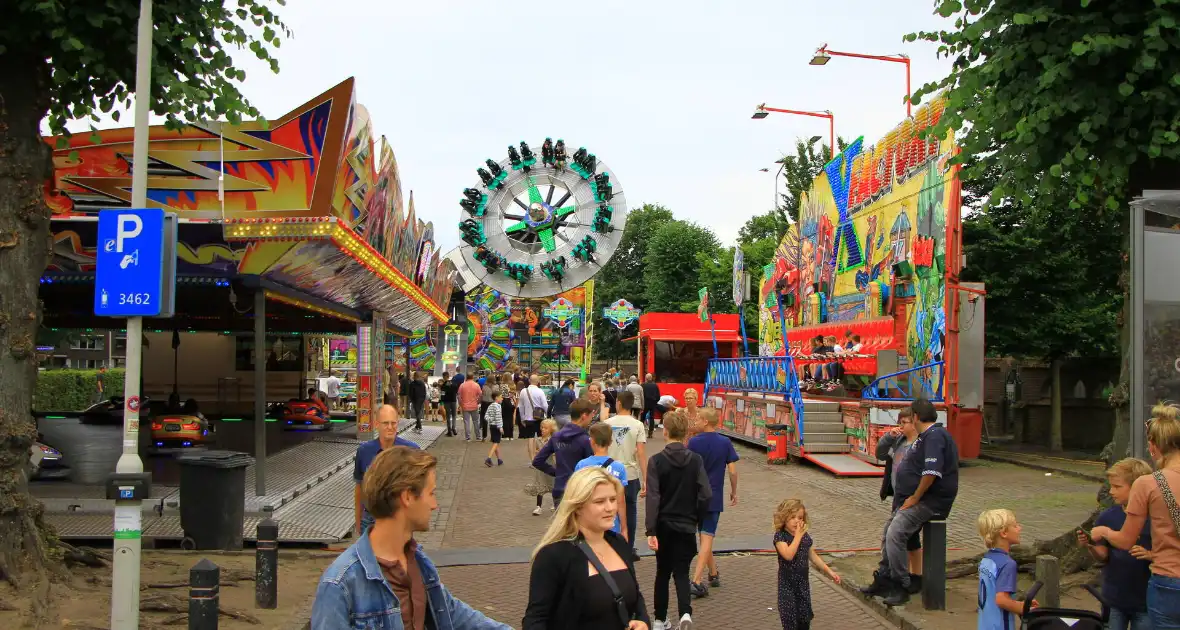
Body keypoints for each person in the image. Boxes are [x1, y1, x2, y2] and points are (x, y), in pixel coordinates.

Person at [314, 446, 512, 630]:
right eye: (431, 493)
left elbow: (455, 614)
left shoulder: (419, 562)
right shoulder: (339, 584)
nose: (434, 504)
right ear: (407, 497)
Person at [523, 467, 650, 630]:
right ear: (577, 506)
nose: (610, 508)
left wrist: (643, 622)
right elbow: (535, 620)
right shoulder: (554, 555)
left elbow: (635, 598)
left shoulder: (618, 543)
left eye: (612, 499)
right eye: (599, 501)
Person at [1090, 403, 1180, 628]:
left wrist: (1105, 532)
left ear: (1152, 446)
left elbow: (1125, 541)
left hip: (1168, 580)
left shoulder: (1148, 484)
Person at [862, 398, 959, 605]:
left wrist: (915, 497)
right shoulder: (925, 438)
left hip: (929, 501)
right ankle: (885, 577)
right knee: (888, 530)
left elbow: (931, 472)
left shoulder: (935, 436)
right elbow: (883, 453)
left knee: (896, 533)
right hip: (912, 499)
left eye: (910, 417)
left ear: (916, 417)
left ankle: (901, 584)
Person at [645, 410, 711, 630]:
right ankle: (685, 613)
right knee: (682, 572)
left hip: (663, 525)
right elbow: (706, 494)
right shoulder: (696, 460)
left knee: (662, 572)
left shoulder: (656, 461)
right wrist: (696, 516)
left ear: (665, 432)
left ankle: (659, 619)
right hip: (686, 524)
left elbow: (653, 497)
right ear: (685, 434)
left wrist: (650, 530)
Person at [1077, 457, 1153, 630]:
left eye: (1118, 487)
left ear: (1137, 488)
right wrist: (1090, 546)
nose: (1111, 491)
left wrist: (1151, 555)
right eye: (1111, 486)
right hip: (1114, 598)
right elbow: (1103, 556)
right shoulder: (1107, 517)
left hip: (1146, 601)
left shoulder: (1156, 519)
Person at [863, 408, 923, 596]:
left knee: (894, 536)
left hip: (914, 500)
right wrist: (888, 437)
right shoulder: (898, 441)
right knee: (908, 538)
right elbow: (880, 453)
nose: (901, 426)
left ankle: (898, 579)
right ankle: (903, 577)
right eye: (900, 422)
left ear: (914, 423)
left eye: (905, 422)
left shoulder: (921, 445)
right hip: (899, 498)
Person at [688, 407, 739, 597]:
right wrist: (733, 491)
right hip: (714, 495)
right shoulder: (725, 442)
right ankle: (698, 579)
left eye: (698, 419)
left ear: (706, 422)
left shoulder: (693, 442)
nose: (696, 422)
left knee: (704, 536)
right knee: (707, 536)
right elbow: (733, 471)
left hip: (695, 495)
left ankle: (710, 574)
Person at [773, 499, 841, 630]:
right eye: (792, 517)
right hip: (787, 586)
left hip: (802, 585)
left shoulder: (804, 536)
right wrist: (798, 536)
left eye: (800, 517)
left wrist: (829, 571)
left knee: (804, 620)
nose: (797, 521)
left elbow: (812, 555)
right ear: (784, 517)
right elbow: (788, 555)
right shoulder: (780, 537)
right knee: (790, 621)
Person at [354, 405, 420, 536]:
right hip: (370, 520)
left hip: (399, 518)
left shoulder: (411, 451)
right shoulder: (364, 451)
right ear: (377, 424)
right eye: (385, 423)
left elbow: (419, 488)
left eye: (393, 423)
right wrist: (358, 520)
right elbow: (359, 489)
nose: (390, 427)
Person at [976, 509, 1033, 630]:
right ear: (1004, 533)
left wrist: (1020, 603)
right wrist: (1023, 608)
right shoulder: (1008, 564)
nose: (1020, 528)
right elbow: (1001, 600)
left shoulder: (986, 560)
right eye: (1015, 525)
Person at [607, 390, 648, 560]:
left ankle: (610, 545)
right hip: (630, 474)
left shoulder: (607, 423)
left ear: (618, 403)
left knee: (610, 511)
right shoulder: (638, 425)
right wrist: (645, 479)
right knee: (630, 512)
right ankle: (628, 546)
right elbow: (641, 453)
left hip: (610, 473)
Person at [532, 398, 595, 505]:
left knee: (561, 522)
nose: (592, 418)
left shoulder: (557, 436)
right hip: (578, 491)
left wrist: (557, 472)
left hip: (560, 489)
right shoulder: (585, 440)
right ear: (584, 416)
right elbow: (590, 468)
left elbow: (537, 461)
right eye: (591, 415)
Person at [574, 423, 628, 537]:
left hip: (587, 523)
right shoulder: (619, 467)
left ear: (591, 441)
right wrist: (624, 528)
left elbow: (577, 497)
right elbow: (621, 501)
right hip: (612, 525)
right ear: (610, 442)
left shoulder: (582, 465)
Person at [526, 419, 558, 515]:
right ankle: (538, 506)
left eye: (545, 428)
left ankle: (555, 504)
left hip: (550, 465)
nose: (542, 430)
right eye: (542, 427)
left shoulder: (553, 440)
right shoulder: (537, 440)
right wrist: (534, 455)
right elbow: (534, 450)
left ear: (551, 430)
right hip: (540, 467)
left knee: (553, 485)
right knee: (540, 486)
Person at [518, 375, 548, 440]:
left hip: (528, 418)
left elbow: (521, 406)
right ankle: (539, 450)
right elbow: (545, 405)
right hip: (539, 417)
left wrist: (522, 418)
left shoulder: (523, 391)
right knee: (540, 436)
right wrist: (547, 415)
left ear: (529, 381)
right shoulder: (540, 391)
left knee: (530, 438)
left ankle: (531, 450)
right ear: (538, 381)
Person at [458, 372, 483, 441]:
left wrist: (461, 404)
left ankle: (468, 437)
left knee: (466, 421)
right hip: (474, 405)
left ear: (466, 377)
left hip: (465, 406)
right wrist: (478, 402)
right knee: (476, 421)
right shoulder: (476, 385)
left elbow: (459, 396)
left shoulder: (462, 385)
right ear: (473, 377)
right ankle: (478, 436)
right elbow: (481, 395)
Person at [484, 391, 505, 467]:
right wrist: (500, 427)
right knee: (496, 443)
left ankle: (499, 459)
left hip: (491, 426)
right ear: (496, 398)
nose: (502, 398)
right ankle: (488, 458)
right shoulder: (498, 406)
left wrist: (491, 420)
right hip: (497, 426)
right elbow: (498, 417)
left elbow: (486, 417)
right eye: (501, 397)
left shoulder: (490, 406)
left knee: (495, 443)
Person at [498, 374, 516, 441]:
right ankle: (511, 436)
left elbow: (501, 395)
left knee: (504, 419)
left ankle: (505, 435)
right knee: (510, 419)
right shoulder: (513, 385)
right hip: (512, 403)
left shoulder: (503, 385)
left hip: (505, 402)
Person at [440, 372, 458, 437]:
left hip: (446, 402)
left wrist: (441, 402)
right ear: (448, 376)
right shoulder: (454, 383)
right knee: (454, 415)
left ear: (444, 377)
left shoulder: (443, 385)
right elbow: (456, 391)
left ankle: (449, 431)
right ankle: (454, 428)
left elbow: (442, 395)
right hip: (453, 401)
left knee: (448, 416)